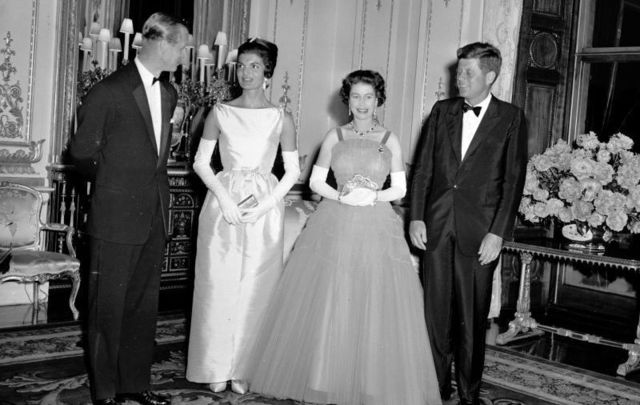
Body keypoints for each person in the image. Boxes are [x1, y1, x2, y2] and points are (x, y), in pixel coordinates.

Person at [240, 70, 442, 405]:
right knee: (334, 296)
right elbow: (316, 182)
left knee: (374, 298)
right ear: (347, 101)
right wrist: (344, 196)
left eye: (369, 97)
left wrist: (372, 197)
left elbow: (401, 188)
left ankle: (370, 381)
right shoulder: (335, 136)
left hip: (377, 226)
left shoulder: (389, 138)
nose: (362, 104)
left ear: (378, 100)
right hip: (336, 222)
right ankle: (325, 376)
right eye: (356, 97)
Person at [69, 12, 189, 405]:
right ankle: (105, 393)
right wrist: (114, 186)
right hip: (116, 215)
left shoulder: (169, 93)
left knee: (142, 307)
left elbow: (157, 154)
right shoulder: (108, 91)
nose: (184, 55)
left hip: (154, 214)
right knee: (107, 310)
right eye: (182, 46)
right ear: (162, 43)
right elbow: (82, 153)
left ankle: (134, 386)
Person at [409, 42, 528, 405]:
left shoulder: (511, 118)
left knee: (472, 318)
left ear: (490, 76)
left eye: (467, 73)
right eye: (458, 71)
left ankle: (469, 394)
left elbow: (513, 181)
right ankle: (436, 387)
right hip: (437, 225)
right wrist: (415, 216)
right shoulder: (441, 111)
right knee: (435, 314)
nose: (458, 78)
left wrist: (498, 232)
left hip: (481, 234)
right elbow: (423, 170)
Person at [185, 37, 299, 394]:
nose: (246, 73)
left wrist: (265, 207)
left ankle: (245, 367)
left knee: (255, 288)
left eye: (254, 66)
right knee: (217, 285)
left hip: (264, 208)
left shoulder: (282, 117)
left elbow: (293, 172)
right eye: (242, 65)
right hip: (223, 206)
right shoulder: (219, 111)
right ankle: (215, 364)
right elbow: (201, 162)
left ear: (267, 72)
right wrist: (224, 197)